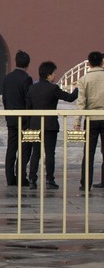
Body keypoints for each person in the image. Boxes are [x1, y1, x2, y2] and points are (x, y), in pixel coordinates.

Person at [25, 61, 77, 190]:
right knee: (49, 153)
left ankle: (32, 179)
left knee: (35, 153)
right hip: (50, 125)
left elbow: (28, 108)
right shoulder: (53, 88)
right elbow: (70, 98)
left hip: (35, 124)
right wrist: (77, 89)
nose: (55, 75)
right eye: (54, 73)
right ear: (48, 75)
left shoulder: (32, 88)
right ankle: (50, 180)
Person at [74, 51, 104, 191]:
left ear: (89, 63)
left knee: (89, 152)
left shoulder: (84, 79)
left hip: (91, 118)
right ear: (101, 62)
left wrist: (77, 122)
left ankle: (85, 183)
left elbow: (81, 102)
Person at [2, 50, 32, 186]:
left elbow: (5, 99)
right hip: (24, 119)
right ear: (27, 64)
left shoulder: (7, 78)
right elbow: (28, 100)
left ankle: (10, 178)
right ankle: (21, 177)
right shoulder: (26, 79)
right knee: (24, 149)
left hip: (11, 117)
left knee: (11, 148)